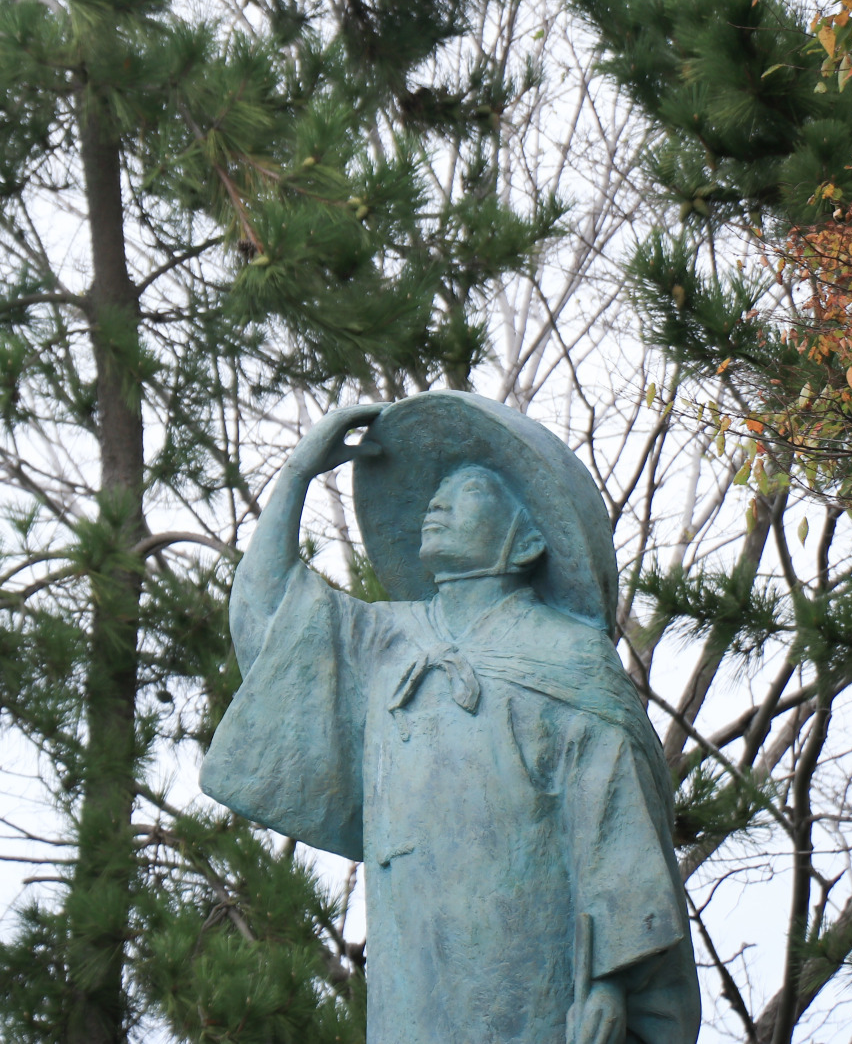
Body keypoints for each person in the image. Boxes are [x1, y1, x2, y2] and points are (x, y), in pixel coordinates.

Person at [201, 393, 700, 1044]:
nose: (436, 502)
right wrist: (297, 473)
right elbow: (267, 619)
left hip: (535, 974)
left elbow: (614, 819)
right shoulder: (386, 641)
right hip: (413, 981)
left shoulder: (569, 657)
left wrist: (611, 980)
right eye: (434, 494)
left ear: (525, 538)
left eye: (464, 492)